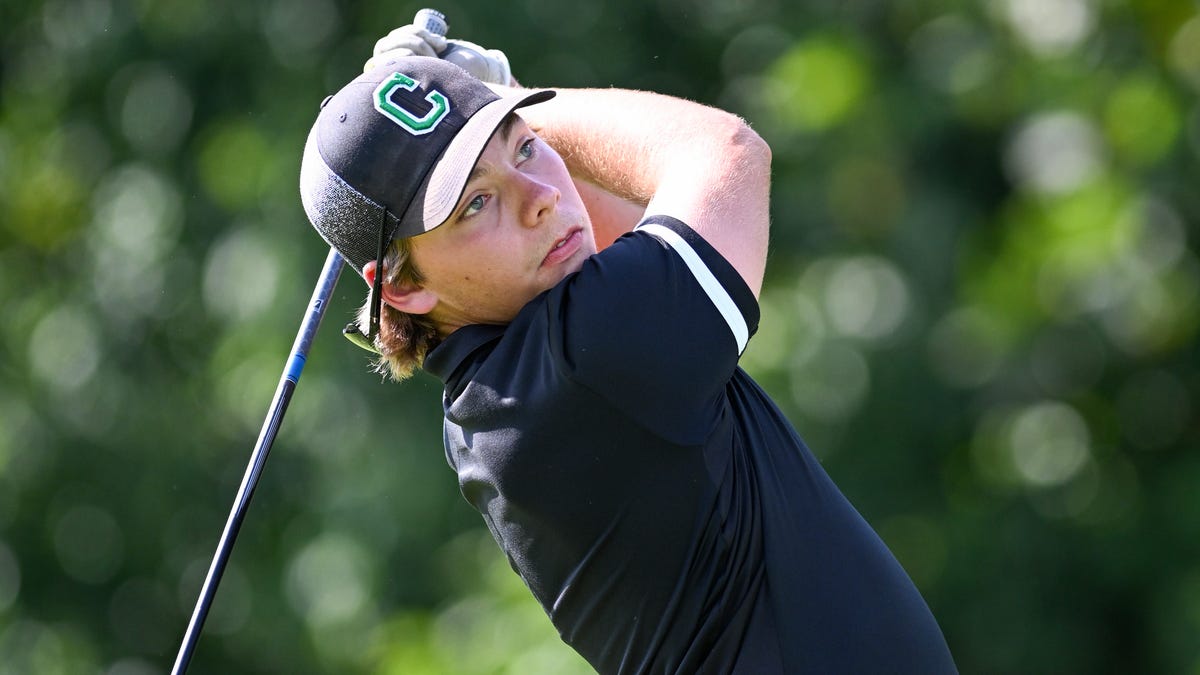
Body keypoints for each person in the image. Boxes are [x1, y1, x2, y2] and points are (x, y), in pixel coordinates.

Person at [299, 21, 957, 674]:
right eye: (476, 203)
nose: (541, 198)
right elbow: (725, 152)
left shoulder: (511, 379)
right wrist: (502, 95)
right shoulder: (579, 367)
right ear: (406, 289)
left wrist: (487, 106)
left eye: (525, 149)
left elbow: (625, 228)